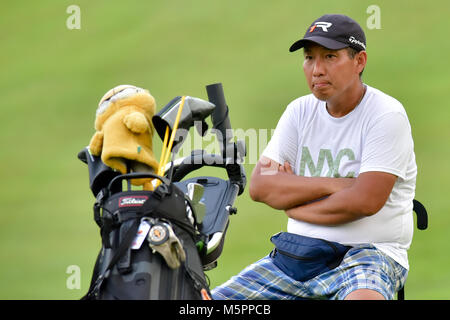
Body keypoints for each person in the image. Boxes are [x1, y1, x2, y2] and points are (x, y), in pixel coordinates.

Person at [211, 14, 417, 300]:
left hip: (369, 254)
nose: (316, 69)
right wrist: (337, 185)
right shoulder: (299, 111)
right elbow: (260, 187)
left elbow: (365, 201)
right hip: (298, 255)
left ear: (359, 61)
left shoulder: (386, 115)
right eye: (309, 58)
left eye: (330, 57)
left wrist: (295, 203)